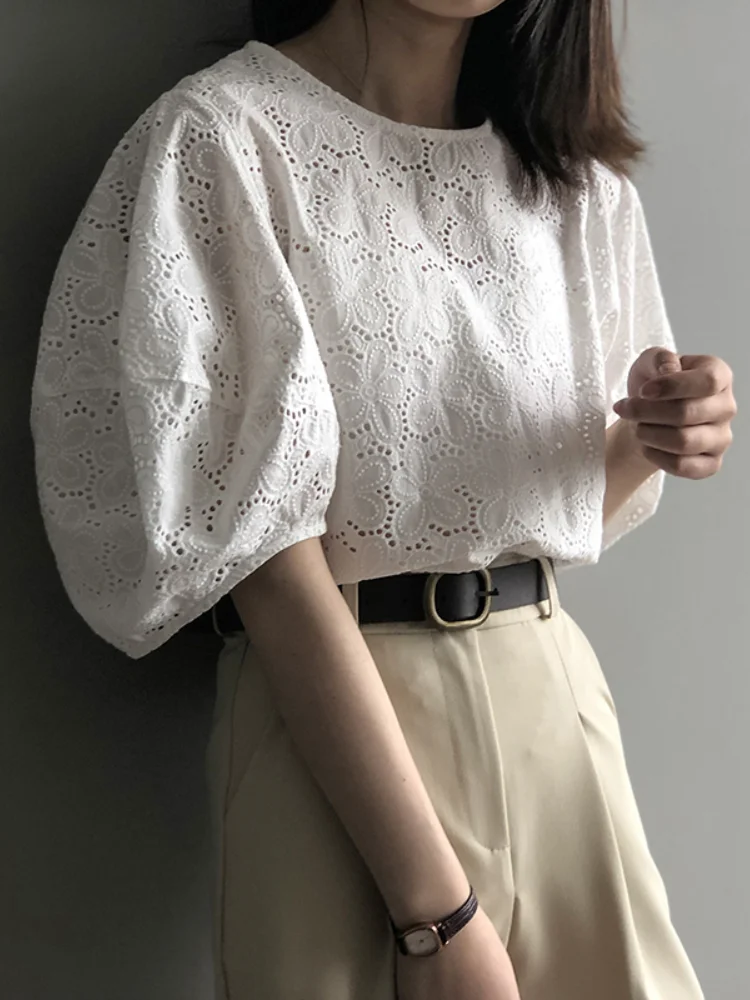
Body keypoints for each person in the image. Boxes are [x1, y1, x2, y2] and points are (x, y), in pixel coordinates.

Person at [29, 0, 737, 998]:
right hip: (337, 747)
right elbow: (265, 562)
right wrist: (437, 917)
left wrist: (658, 436)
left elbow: (528, 511)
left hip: (554, 711)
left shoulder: (569, 176)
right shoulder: (227, 139)